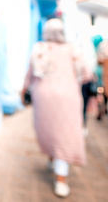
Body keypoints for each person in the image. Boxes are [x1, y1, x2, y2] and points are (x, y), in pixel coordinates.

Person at [21, 18, 90, 198]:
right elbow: (86, 74)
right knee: (65, 134)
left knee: (50, 130)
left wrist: (23, 91)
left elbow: (29, 74)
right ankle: (61, 180)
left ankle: (54, 161)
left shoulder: (39, 49)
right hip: (68, 96)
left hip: (44, 97)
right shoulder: (73, 49)